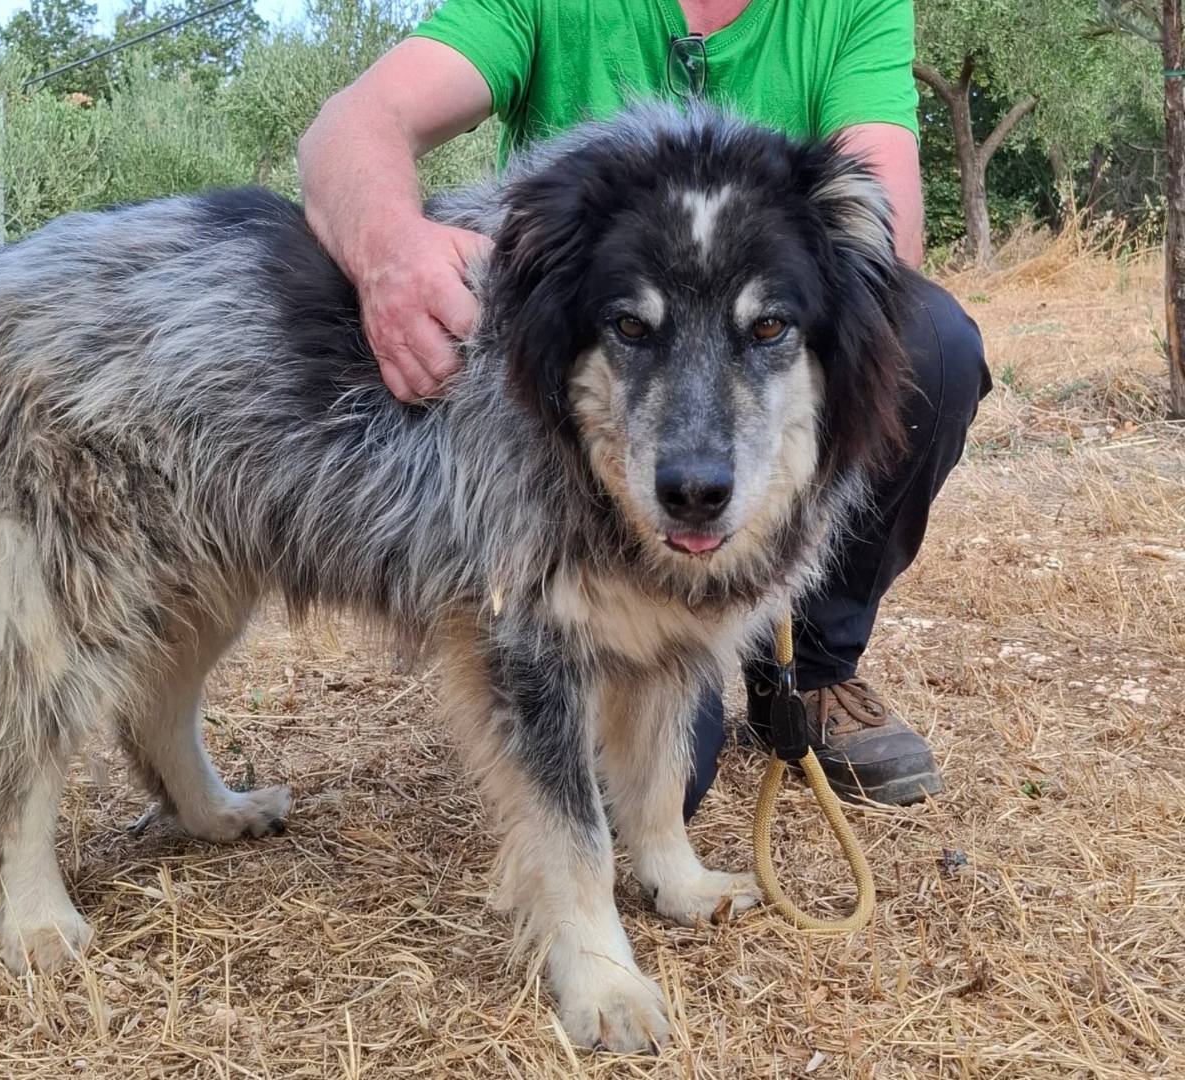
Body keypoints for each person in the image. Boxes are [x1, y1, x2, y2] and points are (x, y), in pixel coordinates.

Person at [298, 0, 990, 813]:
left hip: (749, 294)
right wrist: (389, 247)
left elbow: (886, 233)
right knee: (662, 781)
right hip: (568, 438)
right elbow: (352, 124)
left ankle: (810, 671)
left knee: (932, 339)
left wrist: (768, 265)